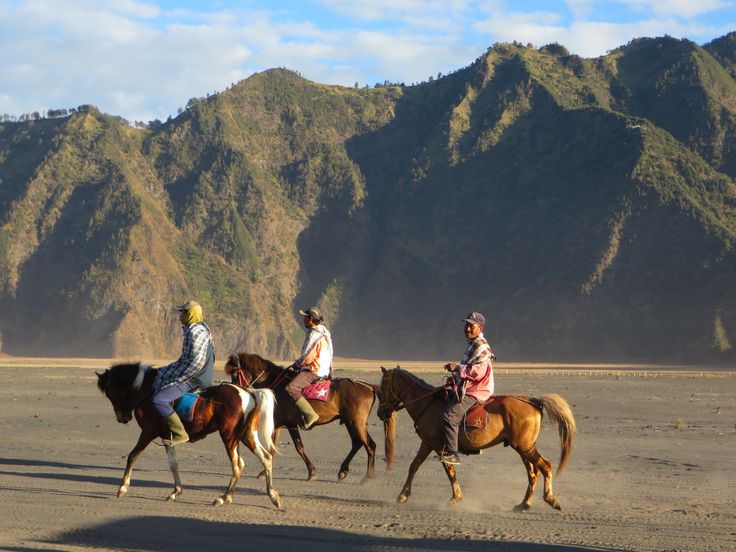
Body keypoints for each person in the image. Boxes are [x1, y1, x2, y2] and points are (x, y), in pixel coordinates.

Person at [151, 300, 215, 446]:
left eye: (183, 312)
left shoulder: (194, 332)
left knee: (158, 399)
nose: (180, 315)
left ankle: (180, 434)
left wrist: (177, 377)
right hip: (201, 374)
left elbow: (195, 362)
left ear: (190, 314)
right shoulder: (202, 328)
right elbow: (185, 360)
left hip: (196, 377)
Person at [439, 311, 496, 465]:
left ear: (481, 329)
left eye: (472, 326)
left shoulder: (481, 346)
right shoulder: (473, 344)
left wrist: (457, 368)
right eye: (466, 325)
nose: (468, 329)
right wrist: (455, 379)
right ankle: (467, 445)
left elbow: (478, 372)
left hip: (477, 391)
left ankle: (453, 454)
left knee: (450, 416)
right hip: (471, 386)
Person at [286, 306, 333, 429]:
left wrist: (297, 364)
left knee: (291, 388)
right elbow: (331, 352)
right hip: (325, 368)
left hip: (315, 369)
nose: (304, 320)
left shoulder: (314, 335)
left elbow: (307, 356)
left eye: (305, 317)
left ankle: (310, 415)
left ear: (311, 319)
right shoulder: (325, 331)